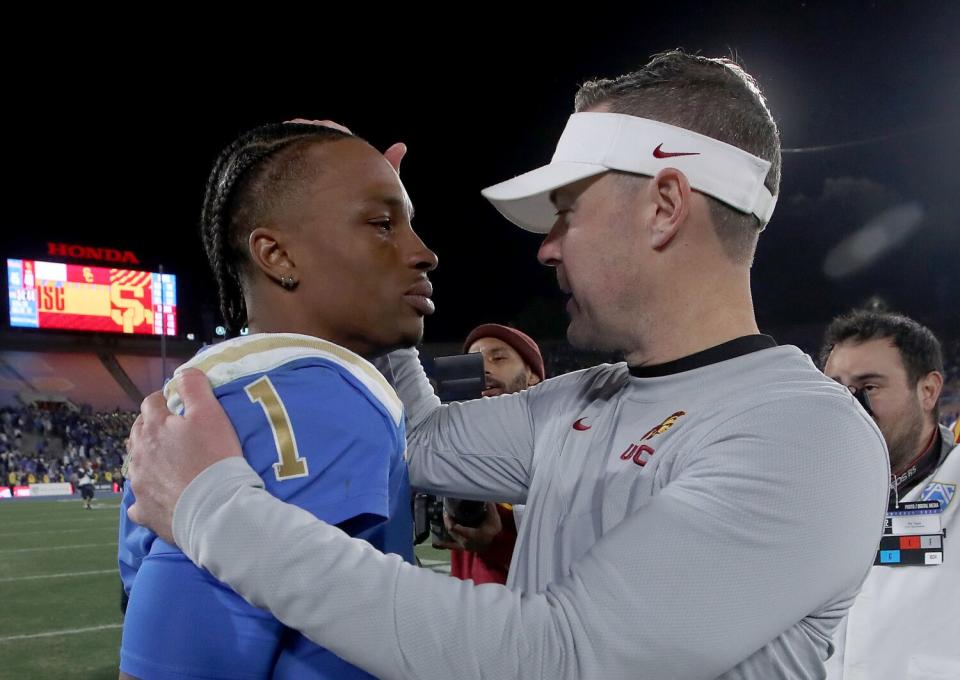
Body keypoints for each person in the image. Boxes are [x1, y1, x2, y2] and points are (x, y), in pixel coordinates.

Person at [127, 51, 890, 679]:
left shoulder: (806, 433)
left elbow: (561, 655)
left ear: (664, 206)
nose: (547, 245)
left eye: (567, 211)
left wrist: (214, 510)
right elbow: (419, 441)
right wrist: (369, 265)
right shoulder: (583, 398)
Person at [117, 122, 437, 679]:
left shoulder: (238, 382)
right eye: (383, 224)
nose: (425, 253)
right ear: (276, 255)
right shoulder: (317, 394)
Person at [820, 309, 959, 679]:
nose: (850, 405)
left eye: (869, 387)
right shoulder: (802, 492)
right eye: (836, 388)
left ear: (928, 391)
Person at [434, 323, 544, 585]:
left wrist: (495, 544)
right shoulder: (453, 445)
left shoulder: (555, 444)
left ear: (532, 375)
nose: (483, 369)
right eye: (474, 362)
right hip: (470, 614)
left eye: (499, 358)